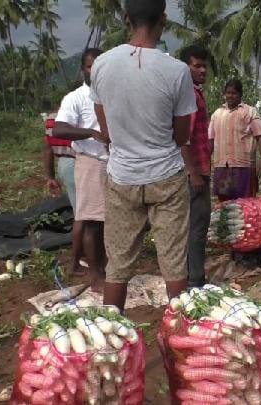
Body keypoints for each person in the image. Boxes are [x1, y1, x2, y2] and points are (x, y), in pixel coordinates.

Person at [89, 0, 199, 309]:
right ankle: (183, 344)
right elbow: (182, 136)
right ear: (163, 19)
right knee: (174, 264)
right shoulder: (177, 71)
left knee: (118, 266)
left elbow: (106, 130)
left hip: (122, 177)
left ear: (126, 19)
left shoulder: (101, 65)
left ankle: (112, 345)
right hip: (166, 176)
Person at [52, 48, 107, 292]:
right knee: (92, 221)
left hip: (113, 163)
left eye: (98, 66)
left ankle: (104, 269)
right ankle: (95, 276)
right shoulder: (75, 98)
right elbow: (59, 129)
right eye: (89, 66)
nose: (94, 71)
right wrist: (91, 133)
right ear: (83, 69)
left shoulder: (111, 95)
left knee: (107, 222)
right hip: (91, 162)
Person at [180, 45, 211, 288]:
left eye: (204, 65)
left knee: (193, 225)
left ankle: (190, 275)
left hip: (199, 167)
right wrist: (194, 173)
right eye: (197, 65)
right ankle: (195, 279)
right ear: (185, 67)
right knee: (197, 226)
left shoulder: (195, 93)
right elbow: (184, 137)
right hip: (195, 170)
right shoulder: (188, 95)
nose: (203, 70)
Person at [209, 79, 261, 202]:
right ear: (224, 94)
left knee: (246, 204)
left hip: (244, 167)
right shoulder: (217, 114)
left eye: (234, 93)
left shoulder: (249, 111)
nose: (230, 96)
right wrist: (205, 161)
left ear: (240, 94)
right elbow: (210, 139)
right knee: (224, 204)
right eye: (228, 93)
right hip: (222, 167)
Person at [42, 112, 86, 275]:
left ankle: (84, 255)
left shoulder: (51, 119)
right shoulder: (79, 115)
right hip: (78, 163)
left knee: (80, 212)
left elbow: (47, 149)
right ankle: (76, 262)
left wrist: (50, 177)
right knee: (84, 216)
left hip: (63, 164)